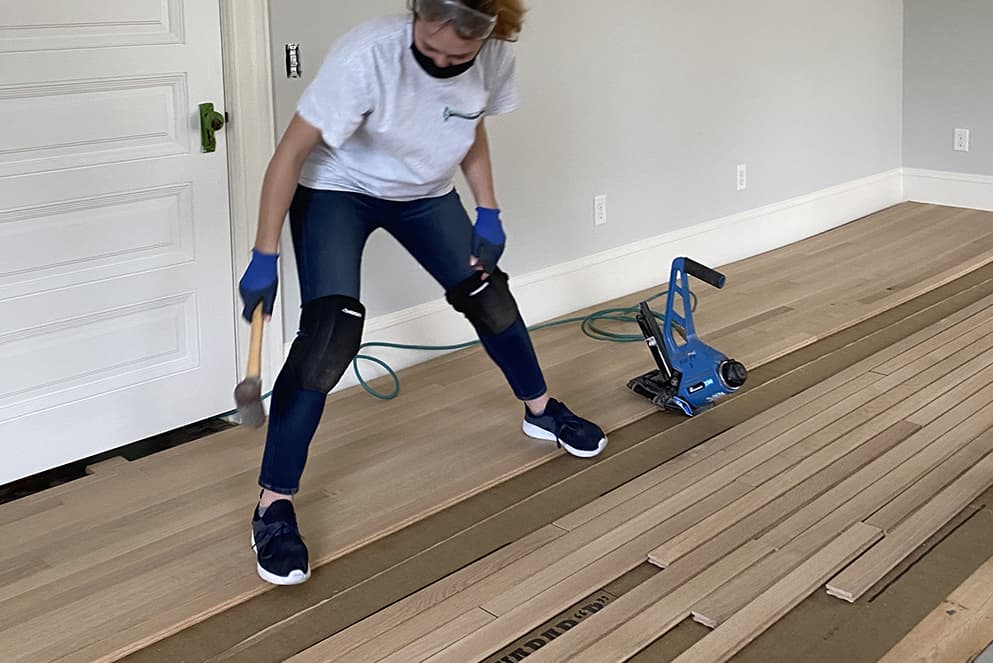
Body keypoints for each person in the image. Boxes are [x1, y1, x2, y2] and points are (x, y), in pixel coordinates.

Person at [238, 0, 608, 586]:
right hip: (338, 188)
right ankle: (272, 505)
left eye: (456, 56)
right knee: (331, 334)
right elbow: (290, 153)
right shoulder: (367, 55)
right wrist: (264, 253)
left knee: (488, 294)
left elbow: (471, 128)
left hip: (426, 194)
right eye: (428, 48)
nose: (440, 61)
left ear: (488, 34)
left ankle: (542, 413)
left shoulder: (494, 56)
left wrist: (488, 209)